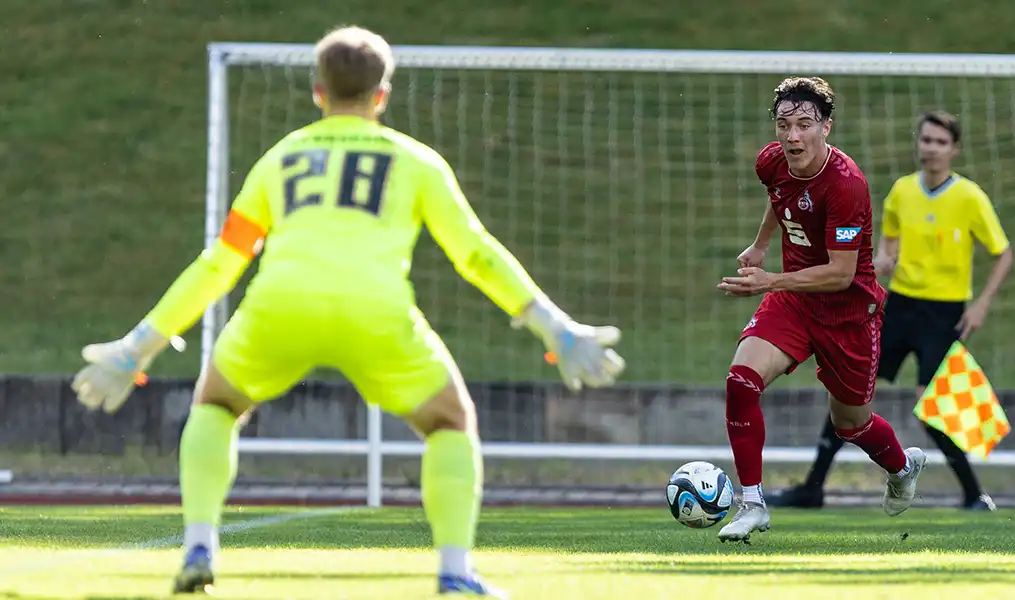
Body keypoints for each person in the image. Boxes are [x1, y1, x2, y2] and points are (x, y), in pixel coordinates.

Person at [70, 25, 625, 598]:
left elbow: (220, 264)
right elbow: (477, 255)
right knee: (449, 423)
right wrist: (554, 326)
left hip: (279, 307)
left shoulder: (280, 158)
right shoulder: (416, 161)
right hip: (376, 312)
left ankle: (199, 547)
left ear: (318, 91)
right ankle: (455, 572)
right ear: (382, 95)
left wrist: (138, 345)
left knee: (215, 403)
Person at [766, 110, 1012, 512]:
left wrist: (981, 303)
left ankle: (973, 495)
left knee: (931, 403)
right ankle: (813, 489)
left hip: (943, 314)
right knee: (847, 391)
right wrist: (877, 266)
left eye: (940, 142)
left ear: (954, 150)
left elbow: (1003, 254)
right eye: (926, 140)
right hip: (899, 307)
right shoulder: (901, 191)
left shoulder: (970, 197)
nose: (930, 148)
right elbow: (887, 250)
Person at [715, 76, 926, 542]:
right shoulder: (772, 161)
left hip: (848, 313)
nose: (792, 136)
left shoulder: (847, 185)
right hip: (793, 302)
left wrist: (770, 280)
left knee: (850, 424)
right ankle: (752, 503)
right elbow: (780, 197)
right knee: (740, 381)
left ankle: (903, 466)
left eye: (804, 124)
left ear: (826, 127)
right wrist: (759, 246)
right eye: (783, 124)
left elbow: (841, 273)